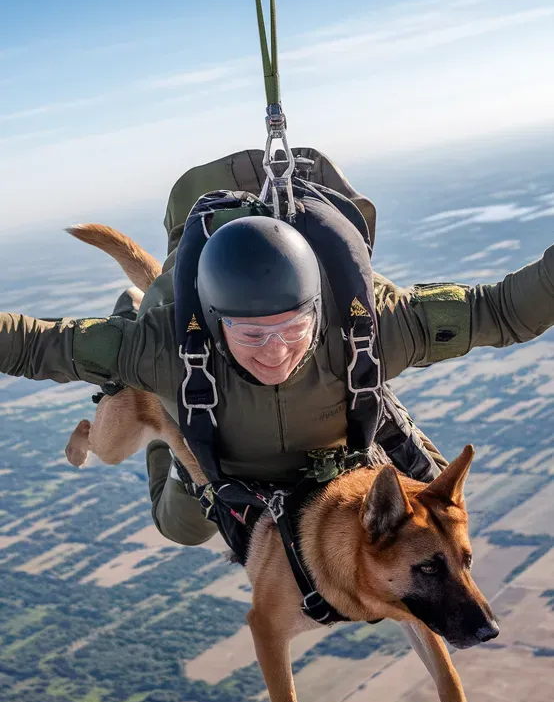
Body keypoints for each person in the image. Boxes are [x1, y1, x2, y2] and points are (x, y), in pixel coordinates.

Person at [1, 148, 554, 549]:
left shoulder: (370, 325)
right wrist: (166, 409)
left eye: (294, 329)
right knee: (184, 528)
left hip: (332, 439)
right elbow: (31, 345)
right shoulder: (164, 346)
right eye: (251, 335)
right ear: (215, 324)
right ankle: (163, 413)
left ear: (319, 310)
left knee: (433, 507)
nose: (275, 353)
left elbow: (501, 309)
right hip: (202, 434)